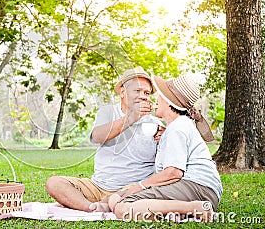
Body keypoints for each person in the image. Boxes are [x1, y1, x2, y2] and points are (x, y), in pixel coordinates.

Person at [45, 67, 164, 212]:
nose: (143, 96)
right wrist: (132, 117)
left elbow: (166, 166)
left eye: (146, 93)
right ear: (122, 92)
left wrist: (165, 139)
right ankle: (91, 207)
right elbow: (97, 137)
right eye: (137, 91)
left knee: (142, 193)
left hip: (132, 189)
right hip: (97, 186)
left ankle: (103, 204)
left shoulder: (156, 124)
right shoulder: (107, 112)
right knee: (54, 183)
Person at [108, 74, 223, 222]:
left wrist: (141, 186)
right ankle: (177, 211)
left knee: (123, 207)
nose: (155, 99)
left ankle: (194, 208)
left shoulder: (178, 127)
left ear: (169, 102)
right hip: (200, 188)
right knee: (114, 198)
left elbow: (173, 173)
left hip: (199, 188)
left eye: (160, 96)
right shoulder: (177, 127)